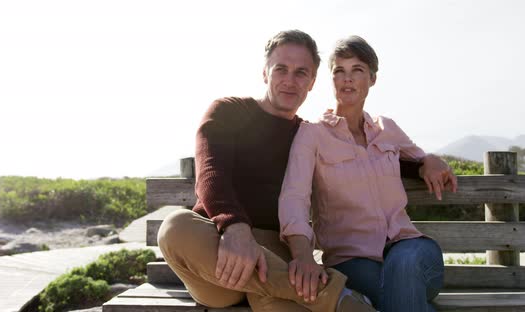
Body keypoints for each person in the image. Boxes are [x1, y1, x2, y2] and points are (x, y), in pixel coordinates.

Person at [158, 30, 453, 312]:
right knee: (175, 228)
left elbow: (370, 156)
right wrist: (235, 228)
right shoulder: (229, 111)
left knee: (280, 292)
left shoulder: (307, 134)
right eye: (281, 69)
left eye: (301, 73)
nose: (290, 80)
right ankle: (343, 301)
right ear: (265, 72)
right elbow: (211, 175)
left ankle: (310, 291)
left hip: (276, 253)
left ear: (312, 82)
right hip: (220, 252)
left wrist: (424, 162)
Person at [279, 35, 457, 312]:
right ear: (332, 80)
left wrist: (432, 159)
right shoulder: (311, 134)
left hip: (409, 247)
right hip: (351, 260)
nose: (347, 79)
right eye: (339, 71)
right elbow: (294, 196)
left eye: (357, 70)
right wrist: (302, 255)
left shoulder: (387, 129)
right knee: (399, 295)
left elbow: (418, 157)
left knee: (405, 267)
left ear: (372, 79)